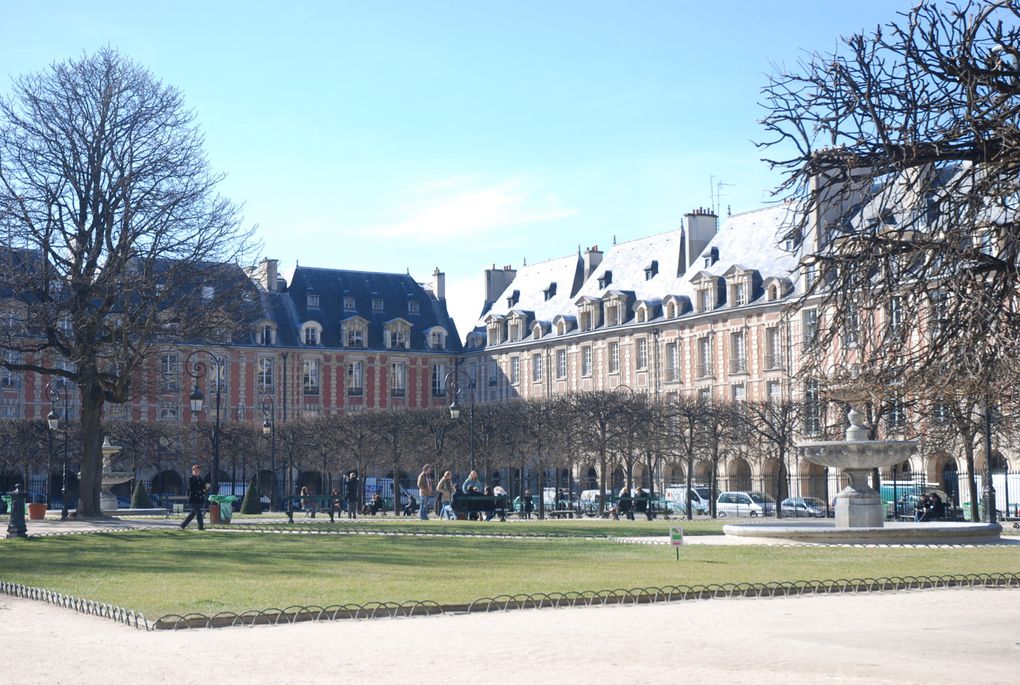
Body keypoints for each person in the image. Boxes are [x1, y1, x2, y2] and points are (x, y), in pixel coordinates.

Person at [180, 464, 209, 530]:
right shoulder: (191, 479)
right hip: (193, 498)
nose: (196, 472)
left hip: (198, 499)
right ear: (192, 471)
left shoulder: (200, 479)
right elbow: (192, 488)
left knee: (193, 514)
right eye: (195, 470)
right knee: (199, 512)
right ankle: (201, 527)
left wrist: (206, 488)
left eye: (197, 470)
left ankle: (183, 525)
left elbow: (203, 488)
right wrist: (201, 491)